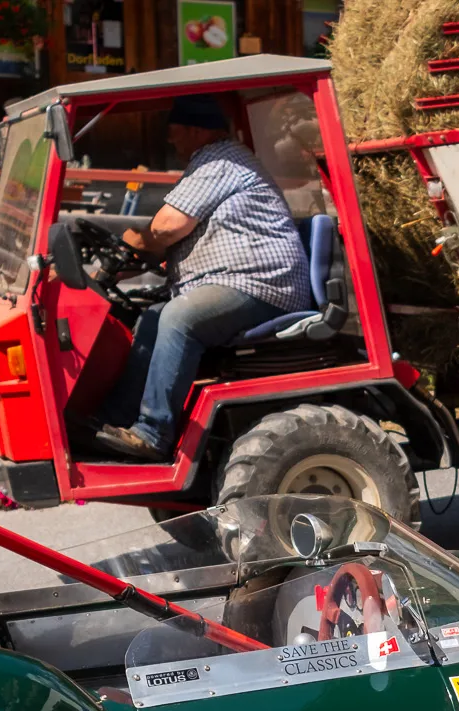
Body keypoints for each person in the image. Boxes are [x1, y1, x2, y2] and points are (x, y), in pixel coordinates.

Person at [92, 96, 313, 460]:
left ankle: (153, 433)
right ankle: (112, 421)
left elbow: (167, 227)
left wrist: (132, 239)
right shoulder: (213, 163)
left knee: (180, 317)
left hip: (262, 283)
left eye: (175, 134)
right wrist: (118, 259)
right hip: (235, 280)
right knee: (150, 317)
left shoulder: (219, 159)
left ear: (197, 130)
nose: (171, 142)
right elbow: (164, 241)